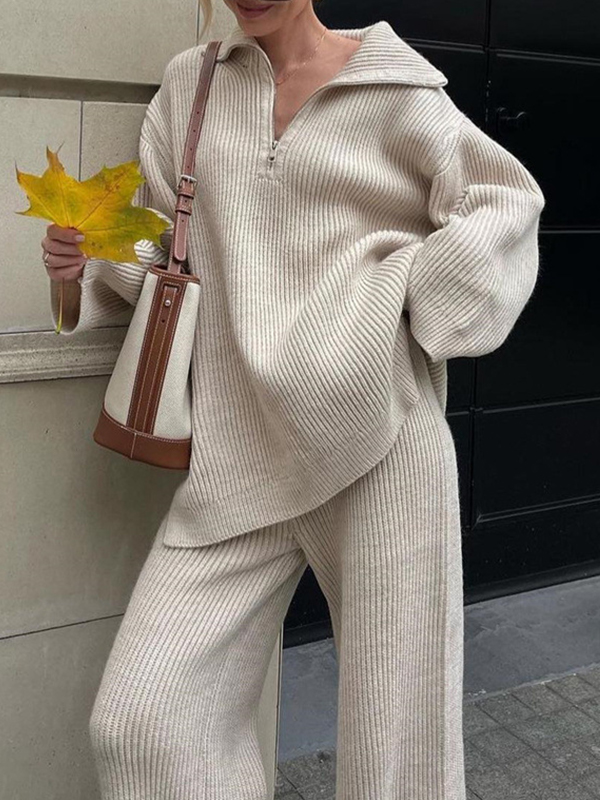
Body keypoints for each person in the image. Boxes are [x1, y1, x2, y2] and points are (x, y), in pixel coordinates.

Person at [41, 1, 545, 798]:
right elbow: (169, 247)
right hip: (236, 455)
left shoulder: (394, 87)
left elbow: (506, 202)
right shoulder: (193, 86)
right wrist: (89, 254)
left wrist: (407, 300)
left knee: (396, 756)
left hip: (382, 447)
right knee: (143, 725)